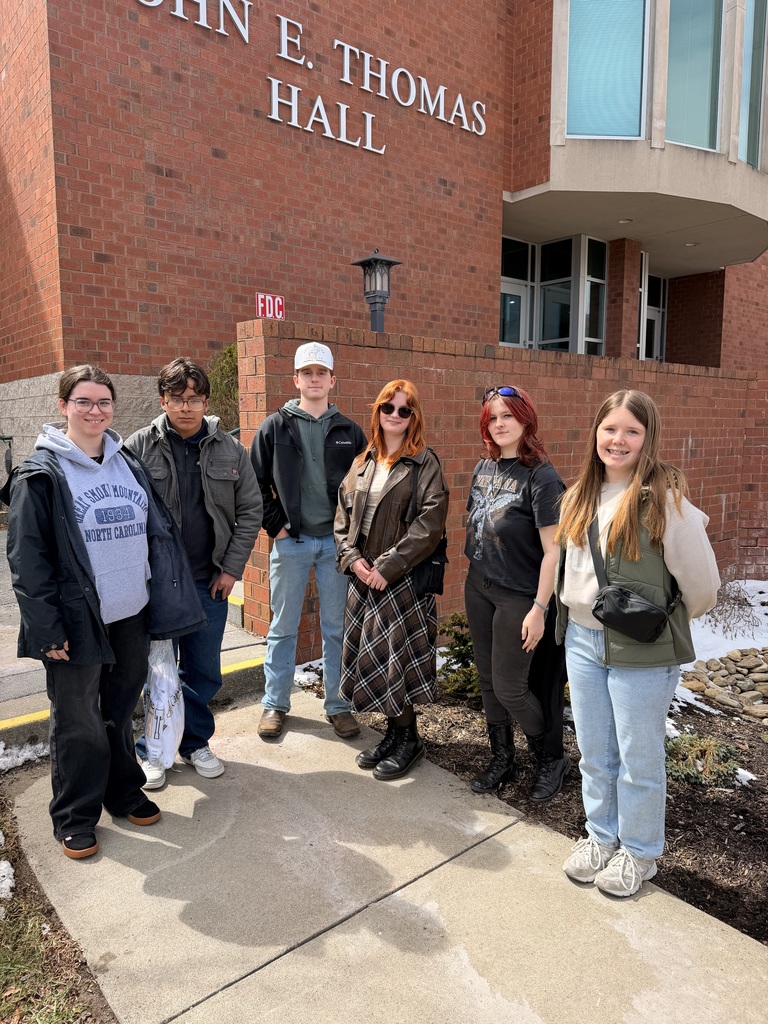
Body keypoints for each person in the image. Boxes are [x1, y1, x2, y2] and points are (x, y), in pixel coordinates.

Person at [1, 365, 206, 860]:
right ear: (63, 406)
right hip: (77, 621)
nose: (95, 411)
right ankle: (75, 814)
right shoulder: (41, 474)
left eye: (103, 402)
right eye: (84, 401)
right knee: (78, 721)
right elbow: (28, 561)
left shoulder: (126, 461)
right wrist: (47, 630)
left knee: (117, 710)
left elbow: (153, 534)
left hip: (130, 614)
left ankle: (122, 791)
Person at [555, 389, 720, 897]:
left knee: (638, 759)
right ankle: (601, 837)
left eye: (631, 430)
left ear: (648, 438)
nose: (618, 440)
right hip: (582, 641)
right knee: (594, 753)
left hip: (641, 651)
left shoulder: (663, 501)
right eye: (610, 429)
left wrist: (655, 624)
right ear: (596, 433)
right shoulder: (579, 495)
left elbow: (703, 586)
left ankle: (640, 853)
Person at [126, 357, 262, 788]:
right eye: (177, 398)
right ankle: (153, 749)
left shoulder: (230, 450)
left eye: (195, 398)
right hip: (158, 585)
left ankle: (195, 741)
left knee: (203, 671)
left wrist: (231, 570)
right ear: (162, 400)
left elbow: (250, 510)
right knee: (157, 670)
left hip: (209, 582)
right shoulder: (137, 447)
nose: (186, 406)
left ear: (206, 401)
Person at [335, 380, 449, 781]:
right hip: (364, 577)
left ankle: (409, 739)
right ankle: (395, 735)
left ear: (414, 417)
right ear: (378, 411)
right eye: (388, 407)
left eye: (404, 410)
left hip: (401, 580)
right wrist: (353, 560)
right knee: (377, 661)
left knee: (394, 662)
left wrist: (388, 567)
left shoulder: (424, 463)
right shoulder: (363, 461)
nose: (395, 416)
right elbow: (342, 518)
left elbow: (429, 525)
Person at [251, 342, 366, 739]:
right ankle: (274, 704)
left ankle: (338, 705)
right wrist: (278, 528)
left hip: (336, 547)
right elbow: (253, 484)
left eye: (321, 373)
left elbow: (365, 488)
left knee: (336, 628)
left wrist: (351, 538)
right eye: (307, 373)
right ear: (296, 380)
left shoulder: (350, 431)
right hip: (292, 543)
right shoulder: (274, 427)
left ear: (332, 380)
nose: (314, 379)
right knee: (283, 627)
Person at [464, 385, 569, 802]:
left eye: (507, 415)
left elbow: (553, 552)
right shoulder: (483, 467)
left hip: (519, 596)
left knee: (511, 687)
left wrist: (540, 608)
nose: (499, 424)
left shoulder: (542, 477)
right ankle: (502, 758)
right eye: (492, 417)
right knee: (488, 681)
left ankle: (550, 758)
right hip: (478, 585)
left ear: (525, 419)